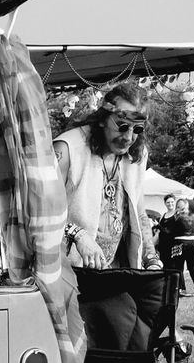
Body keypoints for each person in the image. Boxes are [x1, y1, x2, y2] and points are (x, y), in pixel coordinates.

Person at [53, 82, 161, 272]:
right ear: (102, 119)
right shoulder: (67, 150)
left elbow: (139, 212)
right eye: (122, 126)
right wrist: (77, 234)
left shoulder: (137, 154)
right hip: (67, 273)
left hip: (113, 271)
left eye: (137, 130)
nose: (128, 137)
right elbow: (40, 213)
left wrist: (151, 258)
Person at [166, 197, 194, 295]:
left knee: (179, 267)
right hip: (193, 244)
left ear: (178, 207)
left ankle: (181, 288)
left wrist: (158, 226)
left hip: (180, 244)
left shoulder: (176, 218)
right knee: (192, 265)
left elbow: (169, 233)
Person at [157, 193, 177, 272]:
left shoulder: (177, 215)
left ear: (175, 202)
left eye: (172, 202)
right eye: (168, 202)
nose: (170, 204)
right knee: (164, 266)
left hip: (173, 245)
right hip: (163, 246)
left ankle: (175, 283)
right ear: (165, 203)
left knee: (174, 266)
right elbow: (159, 231)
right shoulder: (163, 215)